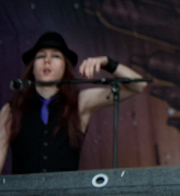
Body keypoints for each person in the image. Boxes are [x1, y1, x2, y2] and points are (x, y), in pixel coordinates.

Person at [0, 32, 147, 173]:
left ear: (65, 67)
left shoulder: (80, 102)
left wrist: (107, 62)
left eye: (56, 56)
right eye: (41, 56)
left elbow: (138, 85)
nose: (47, 60)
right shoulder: (11, 109)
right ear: (32, 67)